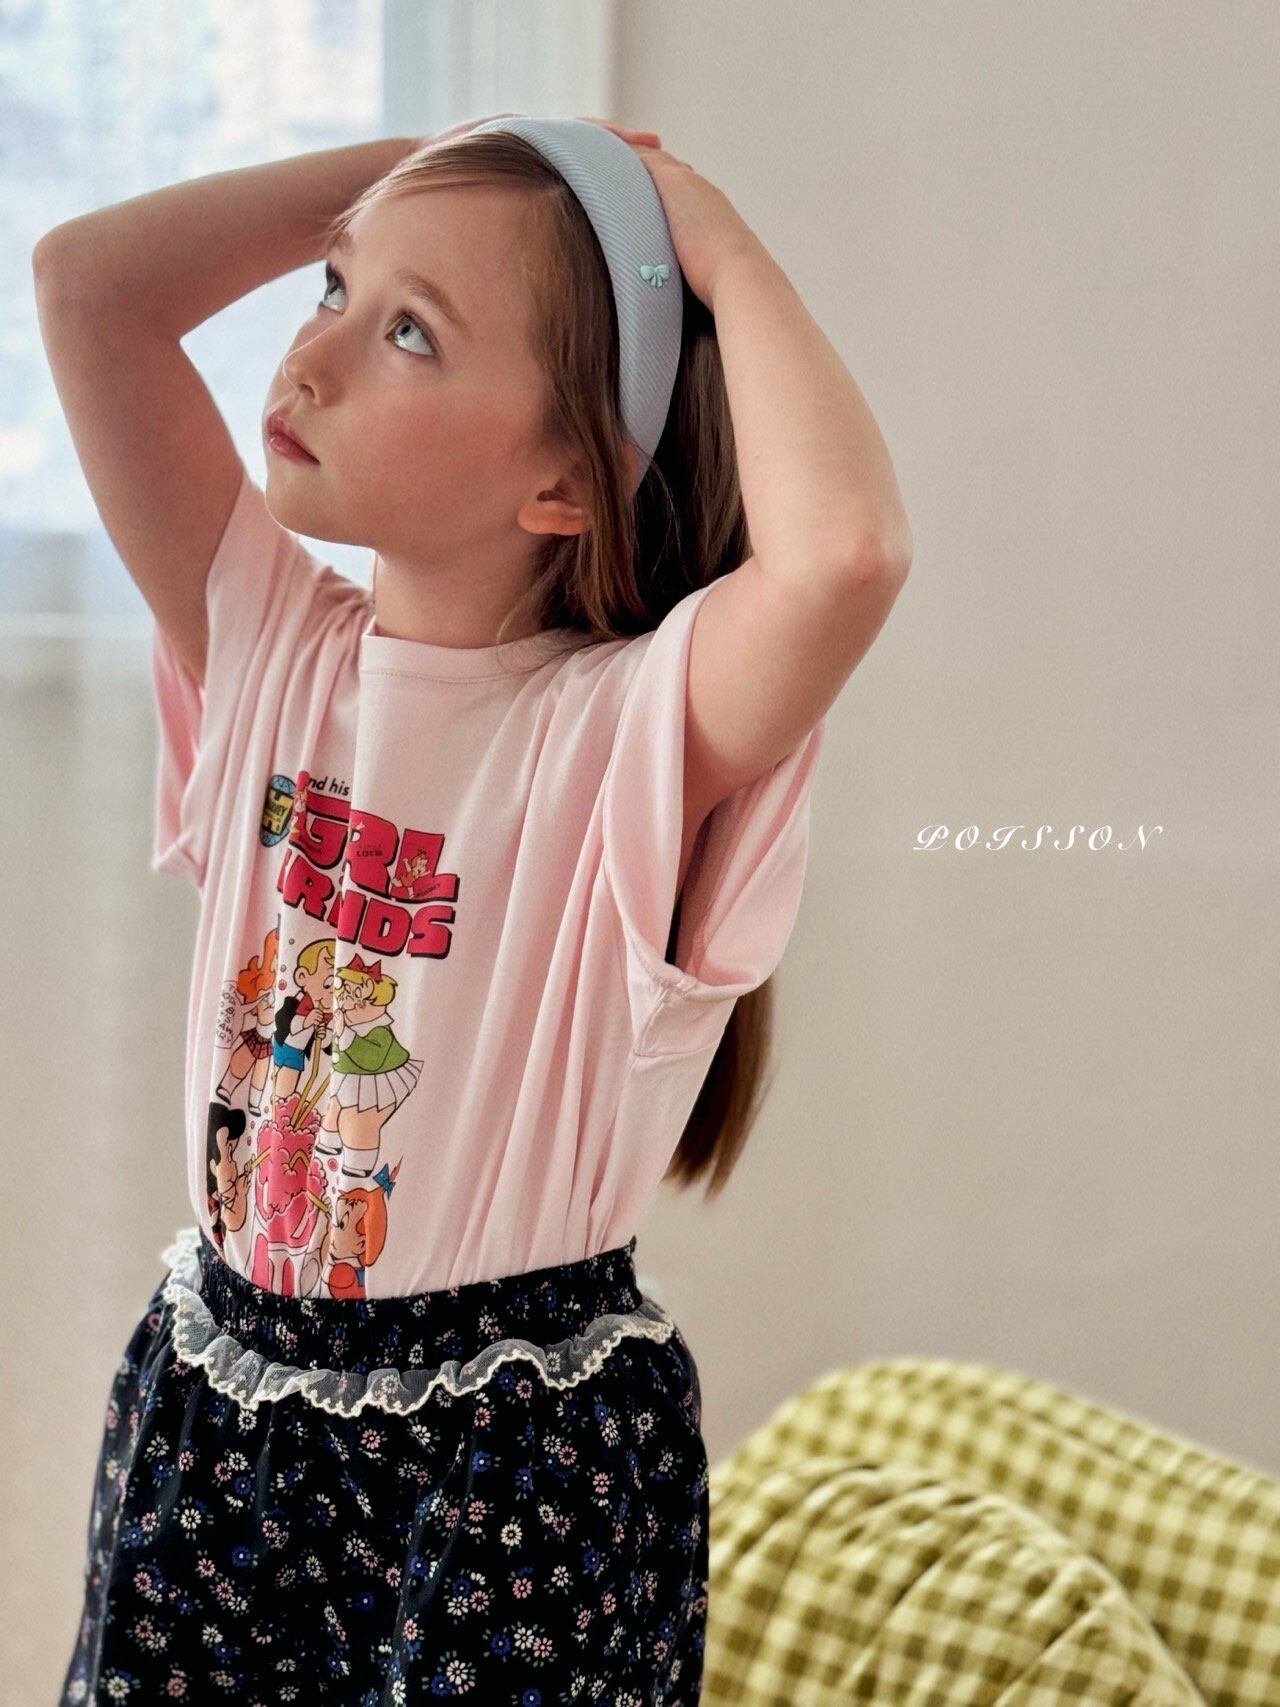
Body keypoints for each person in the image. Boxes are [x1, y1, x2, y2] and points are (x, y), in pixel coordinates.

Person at [35, 111, 912, 1703]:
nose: (309, 359)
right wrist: (436, 159)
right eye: (334, 287)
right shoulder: (273, 648)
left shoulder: (625, 733)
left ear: (566, 481)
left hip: (511, 1467)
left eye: (410, 332)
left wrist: (709, 239)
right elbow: (88, 285)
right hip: (219, 1408)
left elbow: (846, 555)